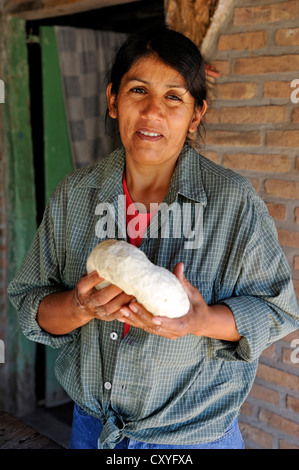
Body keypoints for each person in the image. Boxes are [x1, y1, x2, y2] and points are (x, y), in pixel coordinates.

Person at [8, 27, 299, 450]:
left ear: (195, 114)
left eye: (174, 97)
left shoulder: (232, 202)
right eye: (138, 90)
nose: (152, 112)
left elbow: (278, 311)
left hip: (192, 440)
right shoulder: (74, 196)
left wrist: (200, 321)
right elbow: (30, 307)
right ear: (113, 100)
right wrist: (78, 306)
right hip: (93, 431)